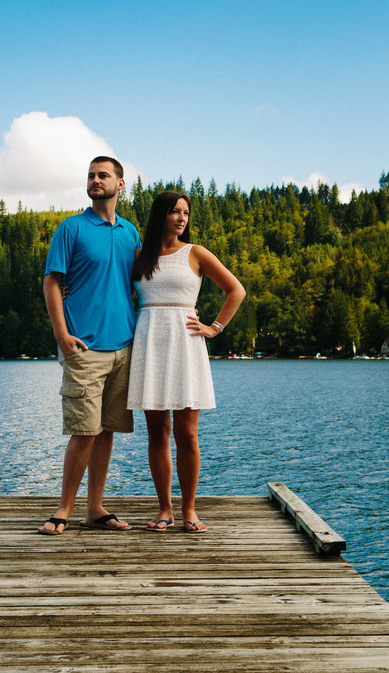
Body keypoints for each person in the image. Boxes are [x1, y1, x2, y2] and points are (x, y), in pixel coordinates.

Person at [127, 190, 245, 533]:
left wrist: (214, 327)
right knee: (157, 433)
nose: (181, 218)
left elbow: (235, 290)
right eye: (175, 212)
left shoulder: (195, 253)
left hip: (186, 343)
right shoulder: (139, 256)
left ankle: (190, 509)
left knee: (187, 434)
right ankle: (165, 508)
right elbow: (113, 287)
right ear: (160, 215)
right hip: (149, 342)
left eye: (186, 213)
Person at [38, 156, 142, 535]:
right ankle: (64, 508)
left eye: (103, 175)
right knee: (83, 430)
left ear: (121, 183)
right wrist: (61, 335)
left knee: (106, 430)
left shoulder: (131, 232)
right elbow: (52, 282)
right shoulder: (71, 228)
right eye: (91, 175)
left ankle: (94, 508)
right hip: (84, 347)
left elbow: (139, 283)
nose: (95, 180)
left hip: (124, 347)